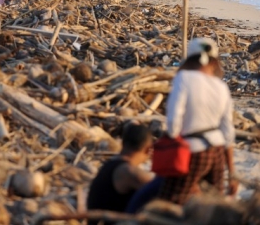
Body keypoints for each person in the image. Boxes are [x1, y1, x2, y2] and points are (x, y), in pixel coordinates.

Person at [158, 38, 236, 205]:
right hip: (217, 152)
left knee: (171, 200)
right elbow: (228, 132)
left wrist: (172, 139)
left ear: (190, 58)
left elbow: (173, 121)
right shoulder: (221, 86)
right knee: (215, 206)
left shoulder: (183, 78)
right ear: (214, 62)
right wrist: (232, 174)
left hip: (193, 150)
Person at [86, 124, 154, 224]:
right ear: (148, 150)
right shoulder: (126, 172)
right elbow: (160, 191)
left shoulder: (109, 166)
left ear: (122, 143)